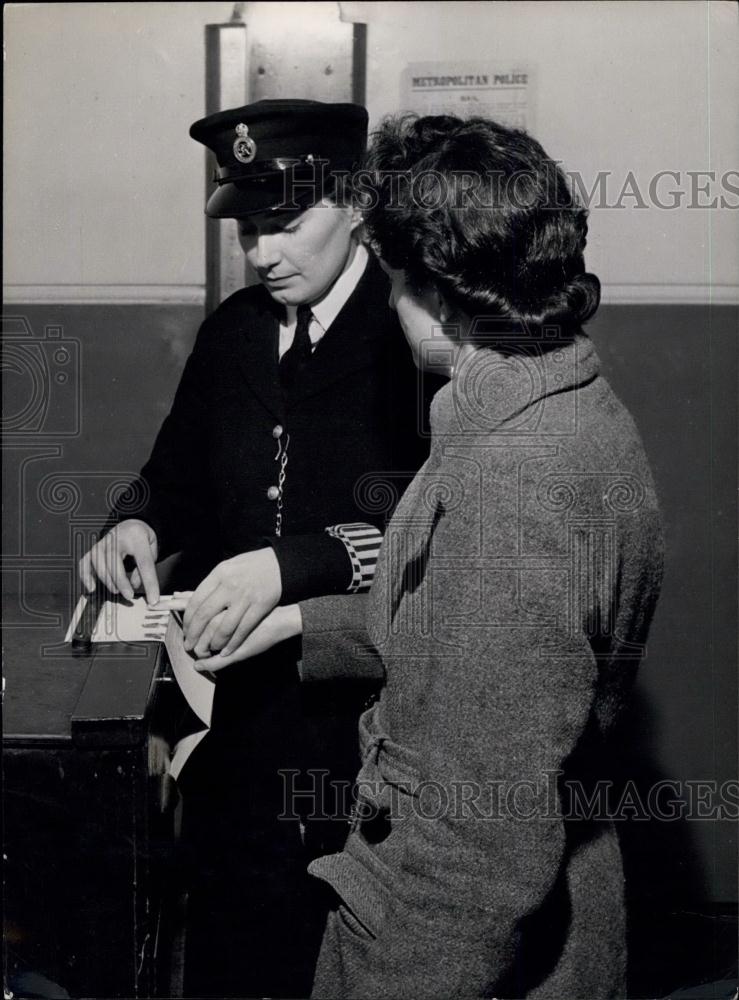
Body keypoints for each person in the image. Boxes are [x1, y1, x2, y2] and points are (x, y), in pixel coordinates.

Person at [208, 114, 665, 998]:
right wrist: (301, 623)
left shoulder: (511, 474)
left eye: (394, 277)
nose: (386, 299)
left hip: (436, 940)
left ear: (443, 293)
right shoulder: (562, 406)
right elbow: (466, 637)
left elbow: (477, 847)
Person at [78, 100, 441, 998]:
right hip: (234, 710)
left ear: (355, 204)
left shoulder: (417, 336)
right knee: (235, 936)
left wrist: (297, 563)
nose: (262, 253)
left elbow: (431, 526)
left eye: (286, 223)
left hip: (361, 719)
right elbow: (179, 476)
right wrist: (139, 523)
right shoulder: (236, 328)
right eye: (248, 226)